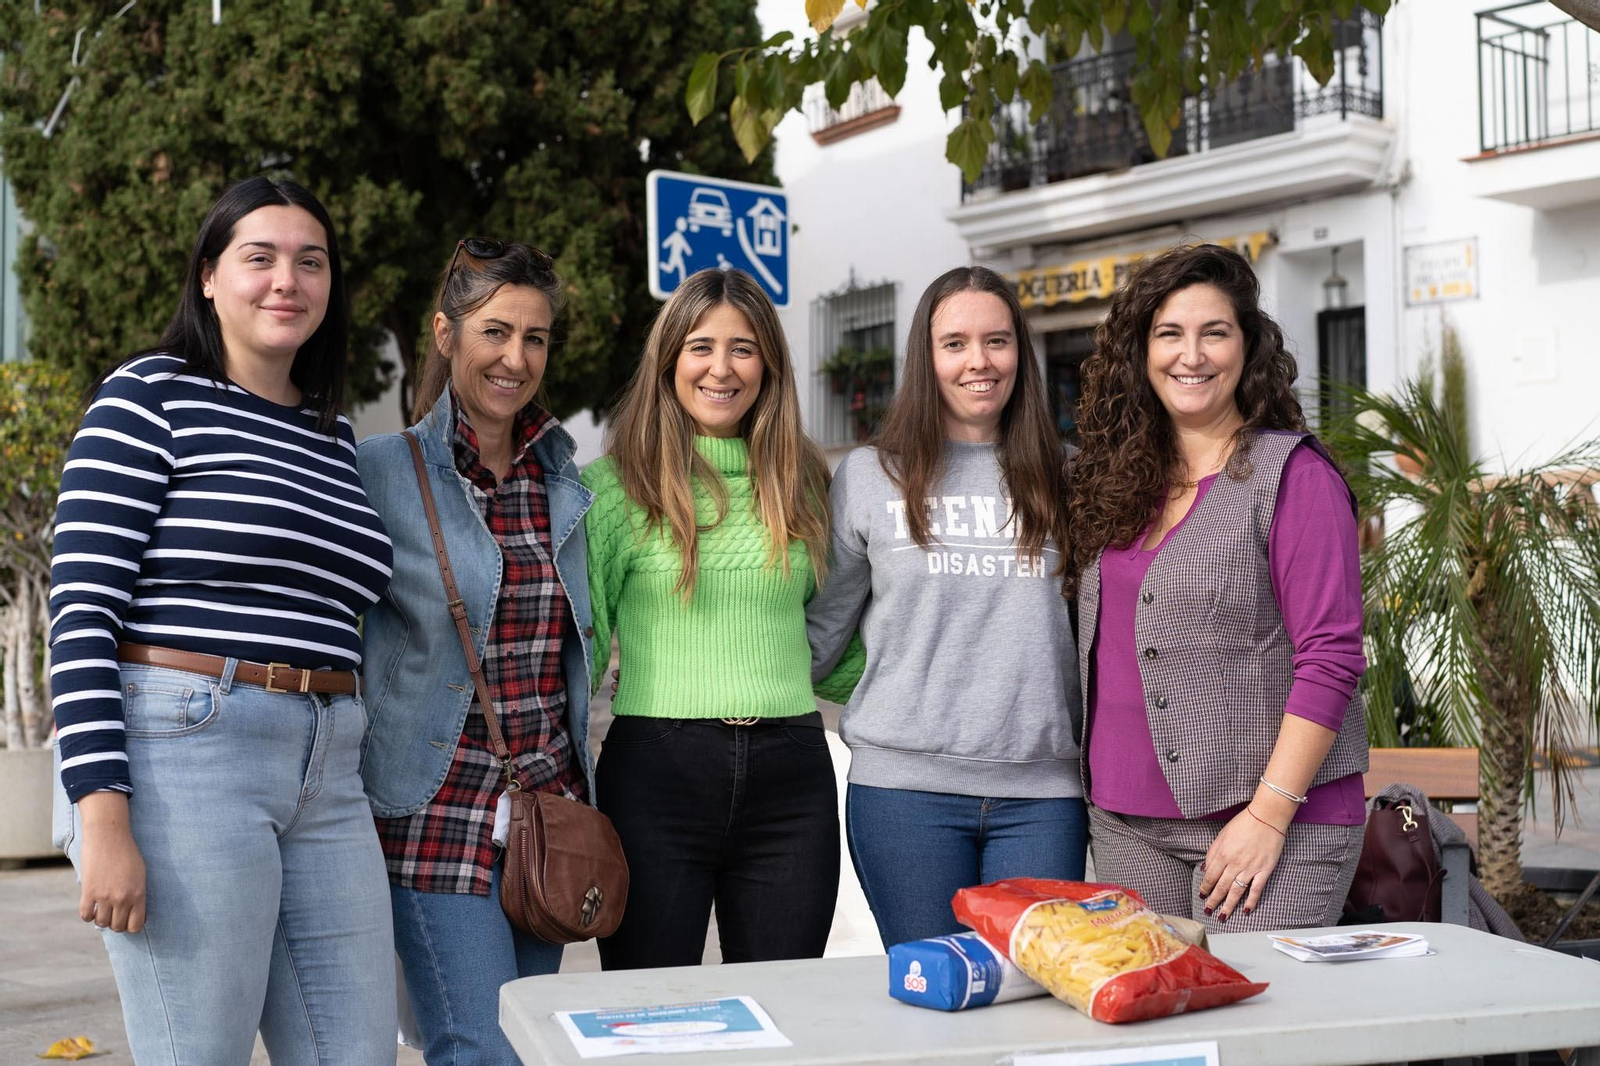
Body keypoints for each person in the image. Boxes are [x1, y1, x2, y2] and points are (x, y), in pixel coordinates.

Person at [48, 177, 396, 1064]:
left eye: (310, 262)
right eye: (260, 257)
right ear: (209, 277)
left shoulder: (333, 437)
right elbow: (81, 611)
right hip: (190, 754)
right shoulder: (148, 397)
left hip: (330, 763)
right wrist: (102, 819)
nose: (288, 280)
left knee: (353, 1052)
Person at [1066, 242, 1368, 931]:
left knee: (1258, 1031)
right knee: (1148, 1026)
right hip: (1127, 825)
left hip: (1274, 823)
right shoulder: (1114, 482)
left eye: (1215, 333)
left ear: (1248, 346)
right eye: (1169, 334)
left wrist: (1268, 814)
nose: (1191, 355)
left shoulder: (1294, 477)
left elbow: (1332, 657)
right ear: (1141, 353)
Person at [356, 240, 596, 1065]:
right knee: (479, 1047)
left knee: (530, 1046)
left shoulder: (563, 482)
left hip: (545, 819)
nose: (515, 357)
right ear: (445, 334)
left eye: (535, 338)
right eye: (495, 331)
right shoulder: (379, 472)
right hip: (430, 811)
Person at [807, 265, 1087, 948]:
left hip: (1044, 796)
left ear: (1021, 352)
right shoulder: (873, 475)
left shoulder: (1070, 474)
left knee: (1029, 1003)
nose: (978, 362)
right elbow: (822, 634)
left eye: (997, 341)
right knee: (933, 1004)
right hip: (904, 796)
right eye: (955, 343)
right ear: (926, 357)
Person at [584, 267, 841, 970]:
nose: (721, 369)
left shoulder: (809, 485)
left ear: (769, 365)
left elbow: (843, 631)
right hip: (654, 777)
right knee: (648, 1021)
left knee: (785, 1020)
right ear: (669, 360)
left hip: (793, 779)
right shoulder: (613, 488)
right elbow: (585, 641)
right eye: (700, 346)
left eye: (743, 348)